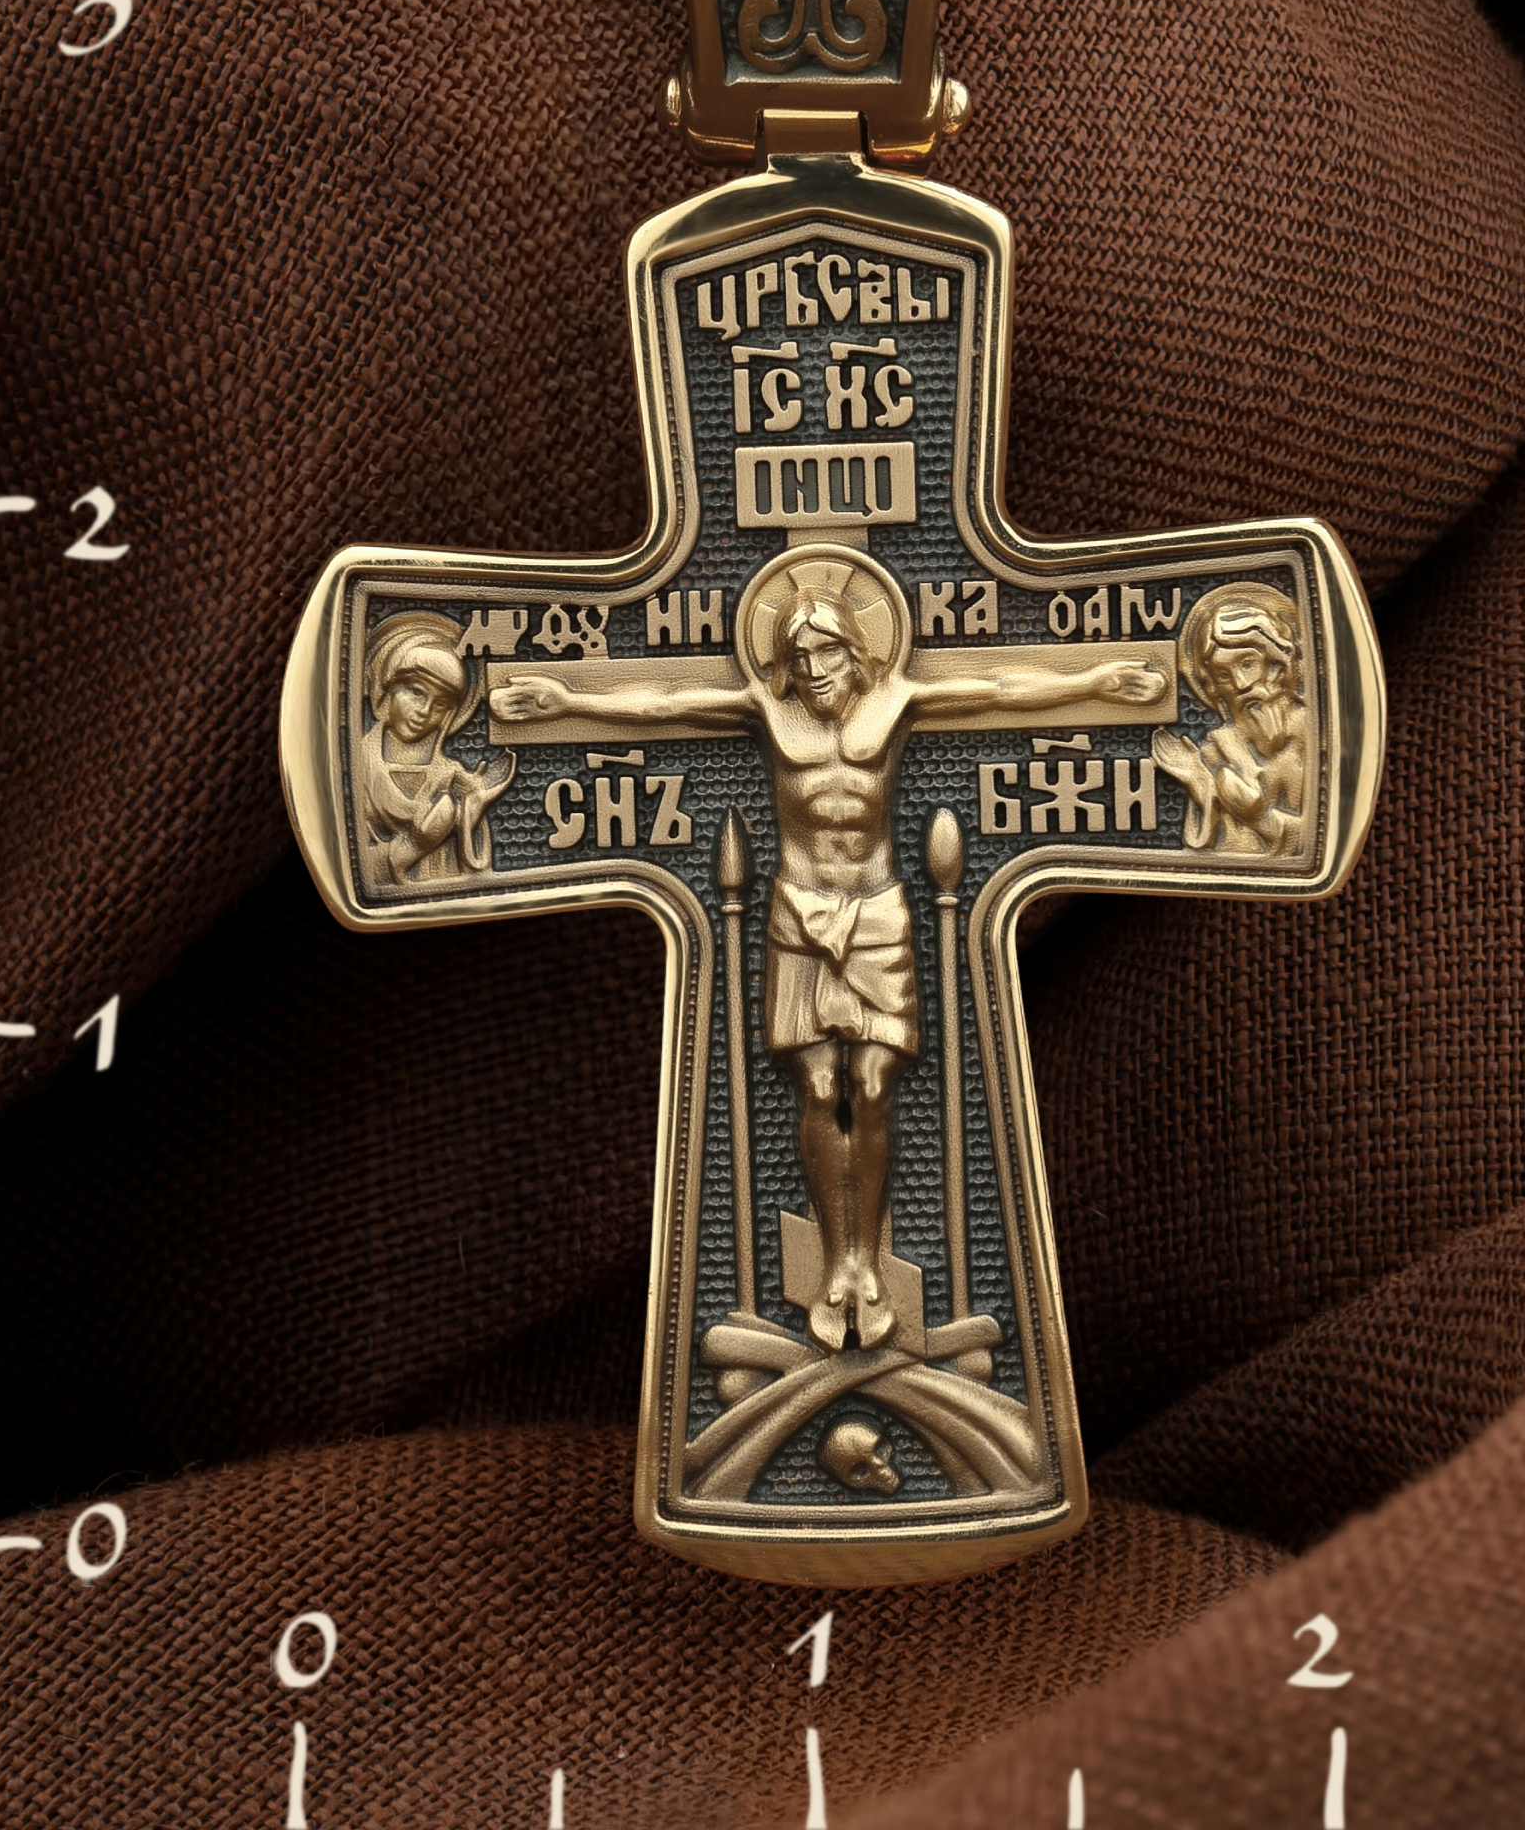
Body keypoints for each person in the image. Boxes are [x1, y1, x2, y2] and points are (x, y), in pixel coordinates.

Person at [491, 559, 1164, 1351]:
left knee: (872, 1087)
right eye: (799, 656)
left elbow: (999, 689)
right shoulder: (769, 713)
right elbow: (665, 703)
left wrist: (1097, 680)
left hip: (876, 915)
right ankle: (838, 1262)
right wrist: (568, 701)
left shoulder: (897, 700)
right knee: (816, 1086)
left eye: (827, 652)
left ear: (856, 650)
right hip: (800, 918)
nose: (813, 670)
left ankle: (864, 1260)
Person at [359, 611, 515, 888]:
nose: (424, 711)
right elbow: (353, 867)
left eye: (440, 704)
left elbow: (478, 873)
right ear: (389, 687)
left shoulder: (452, 777)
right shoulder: (356, 765)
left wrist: (471, 810)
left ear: (449, 716)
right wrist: (412, 846)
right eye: (416, 692)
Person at [1151, 583, 1307, 858]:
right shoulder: (1218, 747)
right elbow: (1209, 848)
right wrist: (1199, 781)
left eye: (1247, 663)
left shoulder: (1311, 732)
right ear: (1213, 686)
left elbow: (1321, 835)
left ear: (1275, 663)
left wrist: (1260, 817)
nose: (1241, 684)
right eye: (1223, 675)